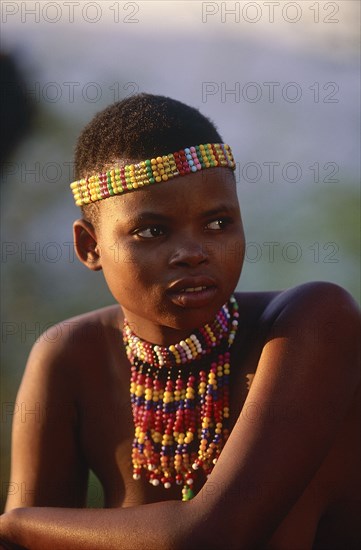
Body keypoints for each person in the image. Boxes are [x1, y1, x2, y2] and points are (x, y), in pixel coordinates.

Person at [1, 94, 359, 549]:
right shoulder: (70, 356)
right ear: (89, 246)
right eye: (152, 230)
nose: (193, 252)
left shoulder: (312, 325)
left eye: (217, 223)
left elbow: (213, 536)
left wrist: (13, 524)